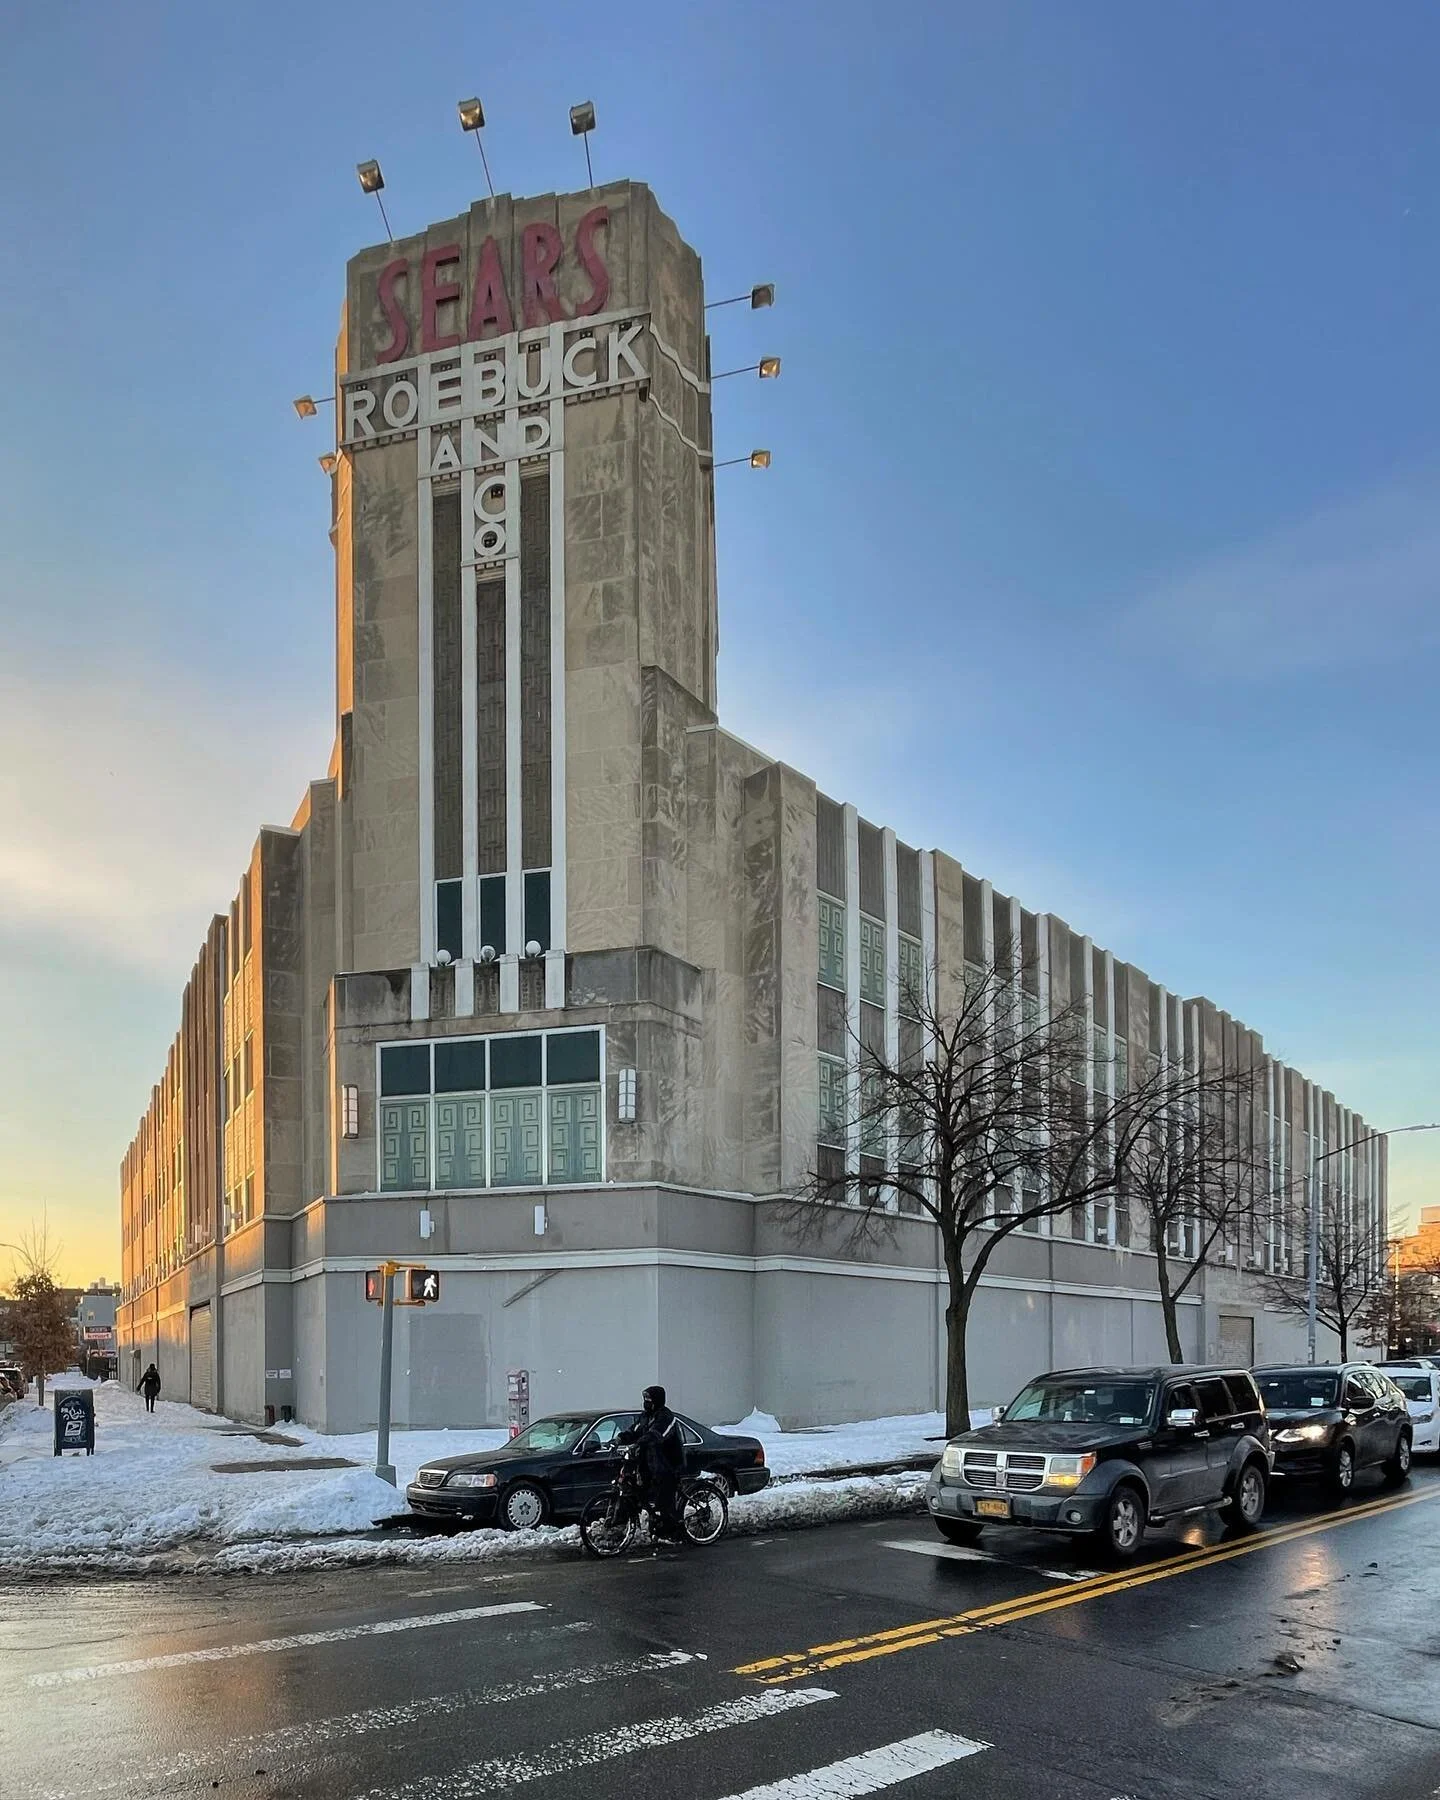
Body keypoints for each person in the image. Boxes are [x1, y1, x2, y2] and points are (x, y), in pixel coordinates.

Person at [620, 1385, 688, 1538]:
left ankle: (673, 1531)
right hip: (650, 1463)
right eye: (645, 1400)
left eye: (649, 1400)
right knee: (641, 1489)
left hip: (668, 1463)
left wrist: (639, 1443)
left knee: (664, 1498)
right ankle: (653, 1521)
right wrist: (619, 1439)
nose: (646, 1403)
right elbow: (634, 1430)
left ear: (657, 1400)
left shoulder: (666, 1417)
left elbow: (657, 1435)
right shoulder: (645, 1416)